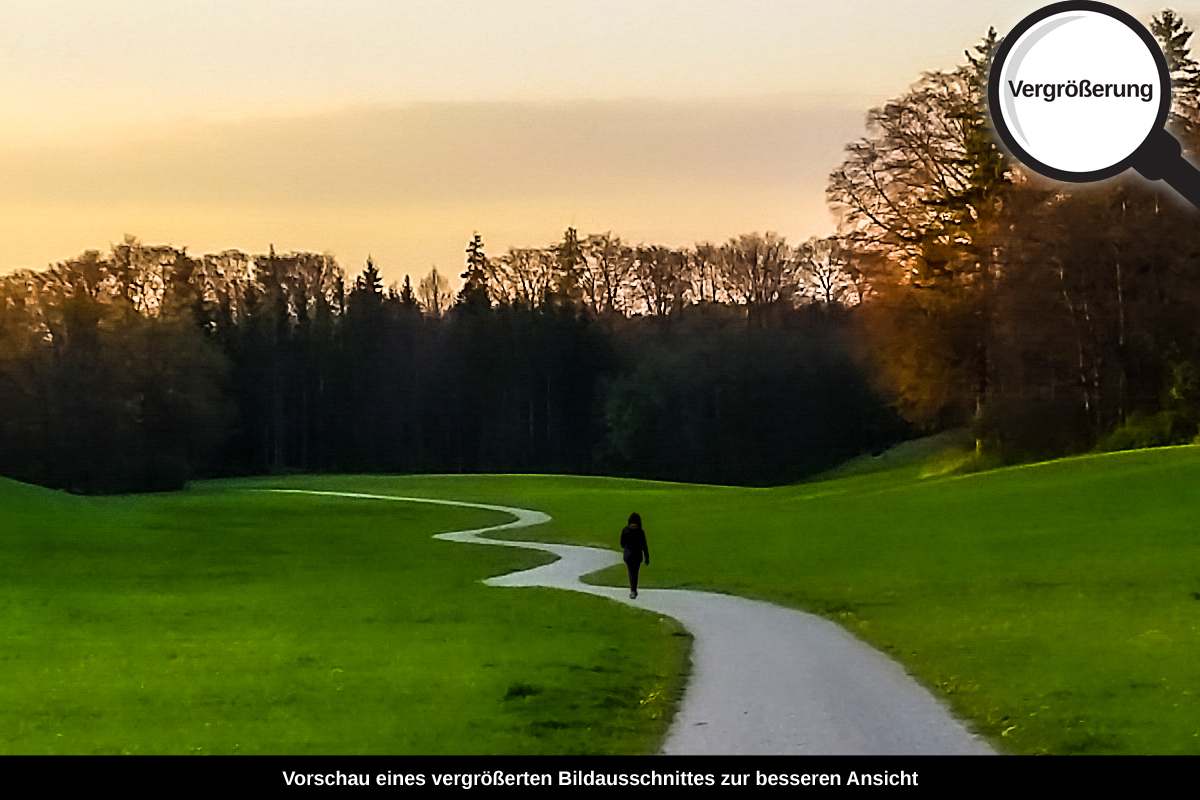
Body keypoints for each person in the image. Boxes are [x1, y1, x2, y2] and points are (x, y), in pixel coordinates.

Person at [620, 512, 650, 599]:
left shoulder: (625, 530)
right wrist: (647, 557)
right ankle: (634, 590)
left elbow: (622, 544)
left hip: (628, 555)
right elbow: (644, 545)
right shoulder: (640, 531)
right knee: (635, 573)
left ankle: (633, 590)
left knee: (630, 572)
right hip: (637, 555)